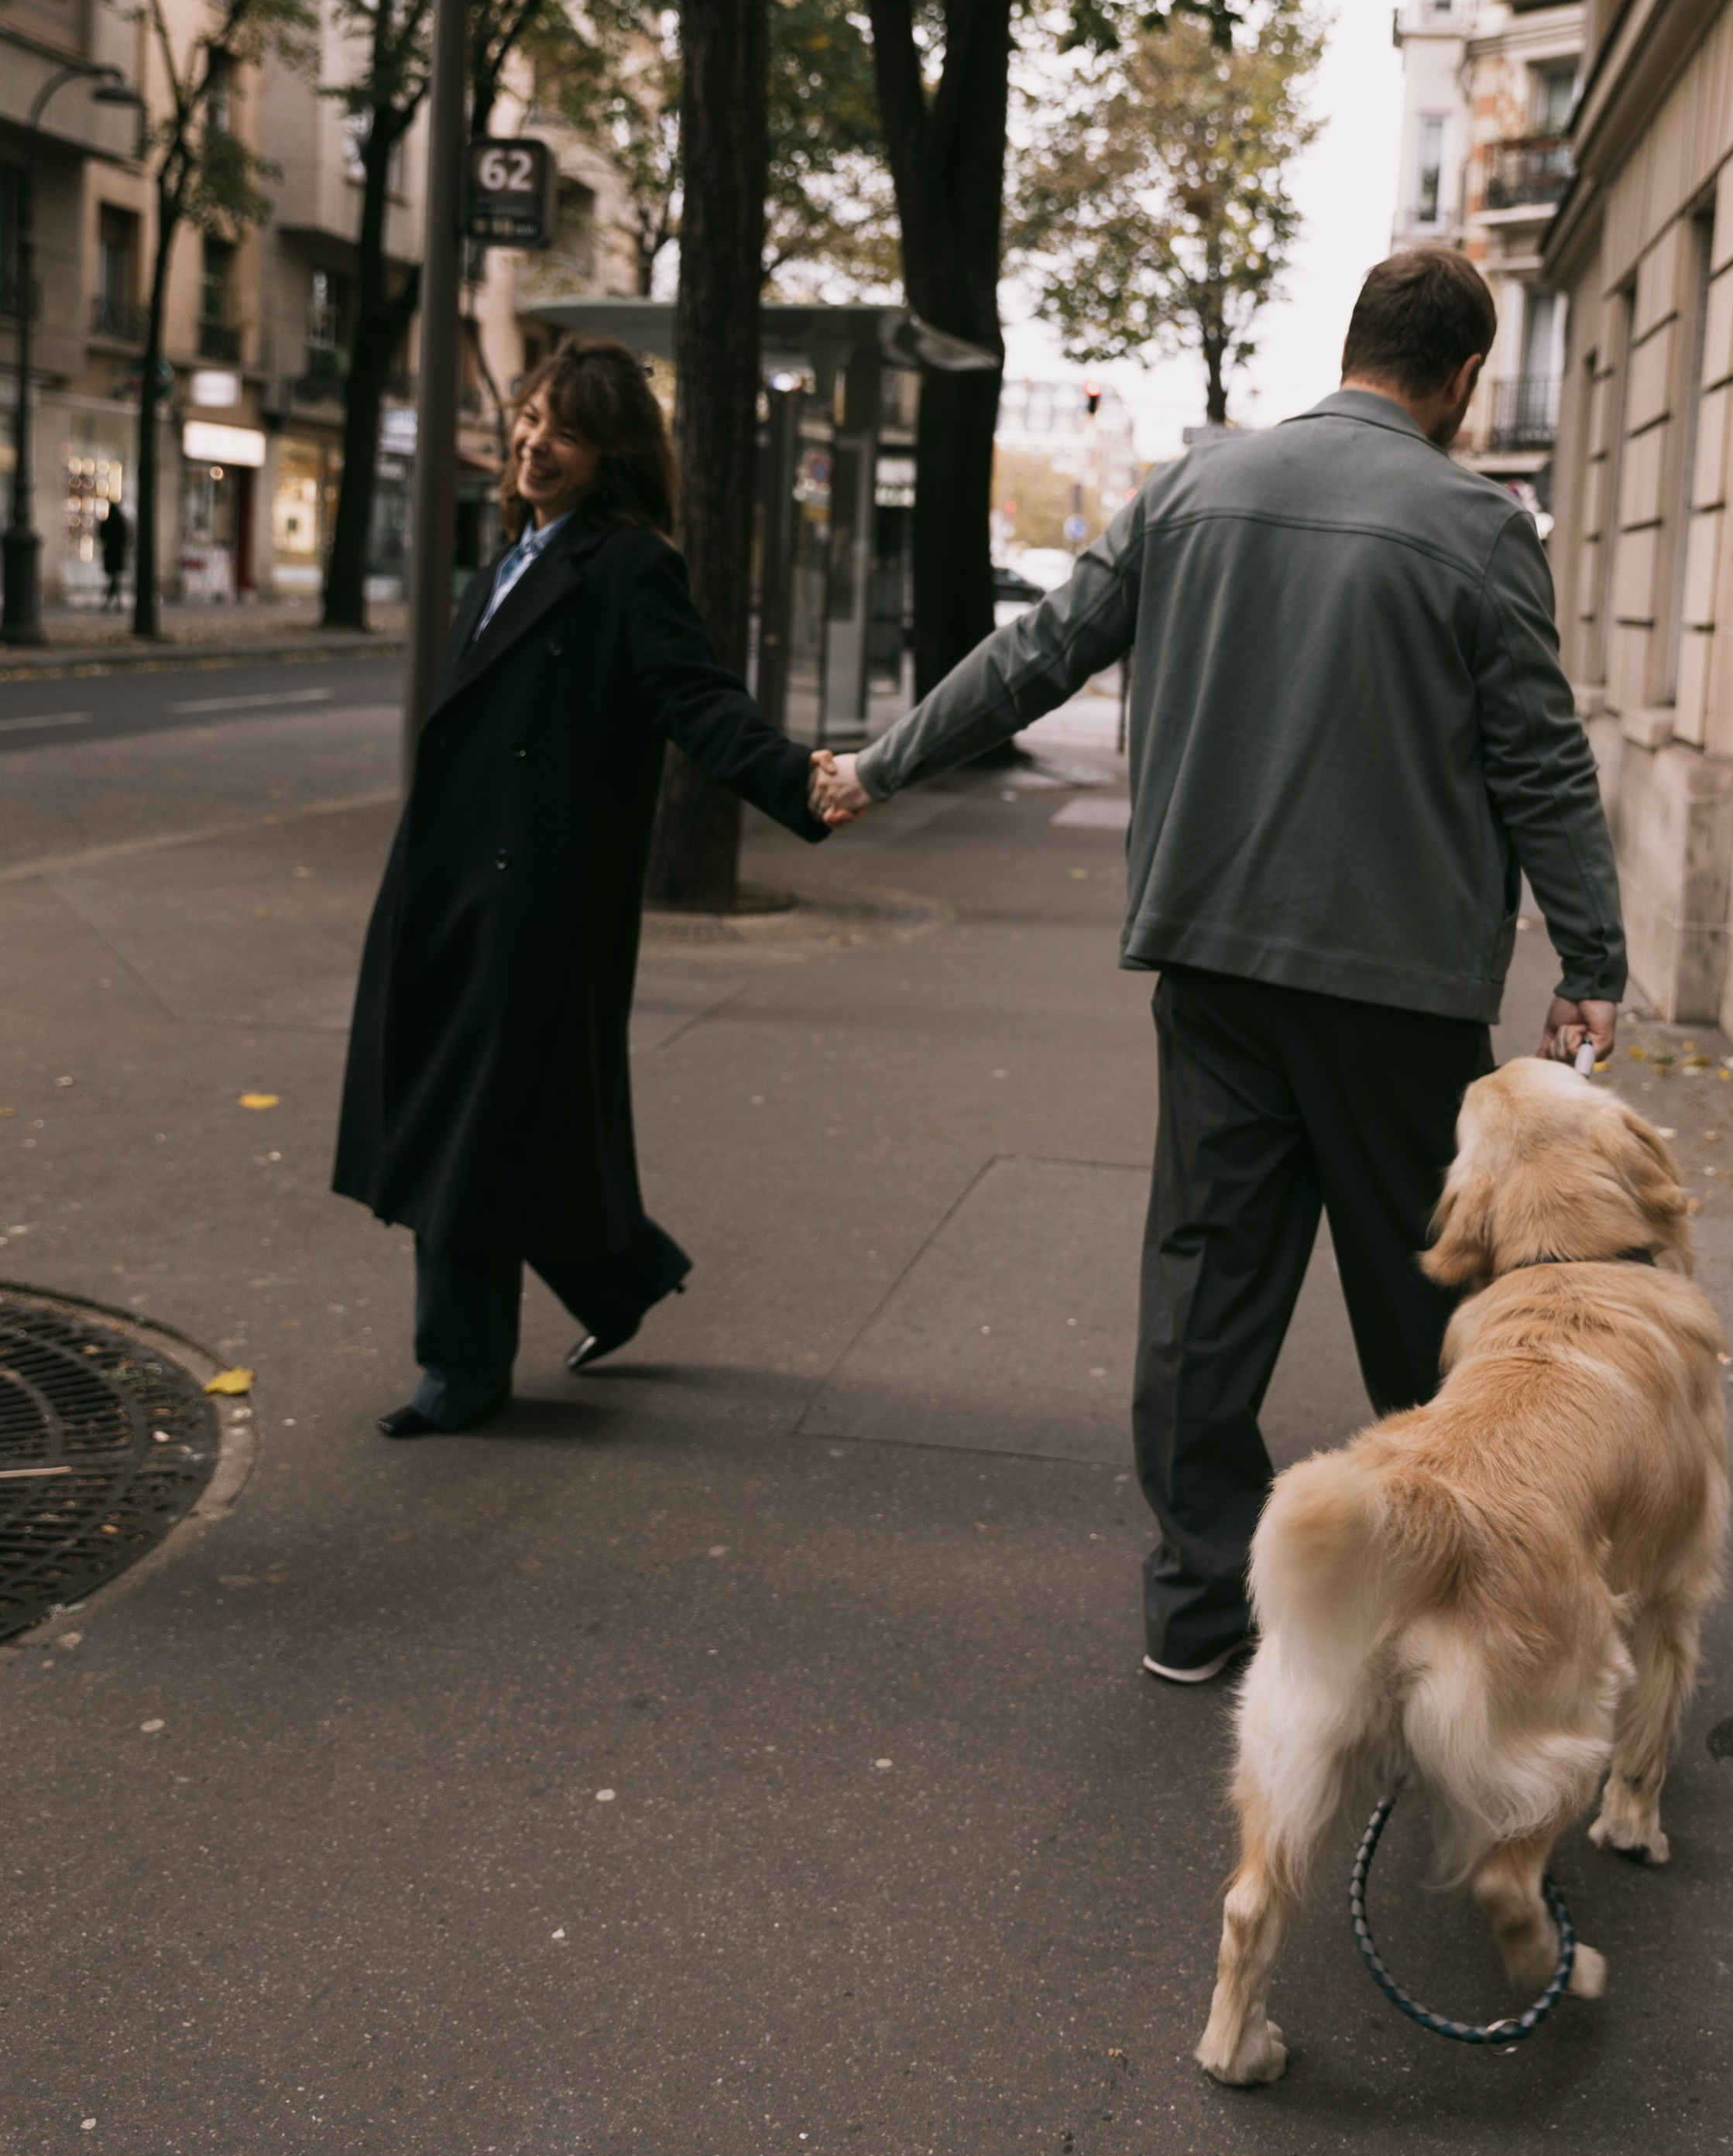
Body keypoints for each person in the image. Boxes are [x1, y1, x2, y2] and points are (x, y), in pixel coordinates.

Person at [812, 247, 1626, 1682]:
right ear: (1460, 380)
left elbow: (1039, 656)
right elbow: (1540, 764)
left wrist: (879, 767)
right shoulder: (1478, 526)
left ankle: (1198, 1606)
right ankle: (1460, 1592)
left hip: (1216, 961)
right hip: (1398, 987)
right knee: (1424, 1296)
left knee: (1206, 1285)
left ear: (1352, 345)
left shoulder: (1192, 493)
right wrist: (1590, 955)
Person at [335, 334, 832, 1439]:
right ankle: (620, 1280)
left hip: (528, 900)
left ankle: (459, 1372)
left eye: (566, 431)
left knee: (467, 1130)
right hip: (444, 885)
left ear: (613, 455)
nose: (535, 443)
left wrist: (800, 780)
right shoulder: (511, 552)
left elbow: (697, 701)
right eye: (530, 418)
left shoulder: (627, 566)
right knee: (507, 1119)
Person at [98, 496, 129, 608]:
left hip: (109, 553)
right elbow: (125, 538)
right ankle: (116, 603)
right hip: (117, 553)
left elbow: (101, 537)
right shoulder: (120, 523)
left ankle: (108, 603)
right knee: (114, 579)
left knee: (113, 579)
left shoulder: (106, 523)